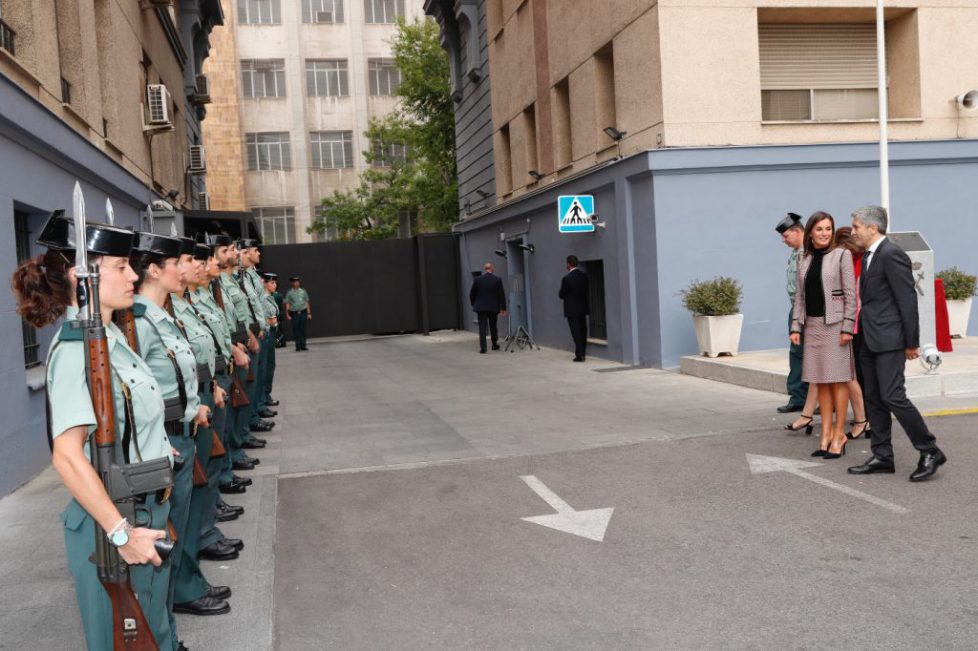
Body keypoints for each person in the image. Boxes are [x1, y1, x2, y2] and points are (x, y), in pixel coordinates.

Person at [12, 213, 175, 650]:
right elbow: (67, 456)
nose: (133, 275)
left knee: (154, 631)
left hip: (142, 511)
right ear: (79, 276)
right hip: (113, 524)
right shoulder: (75, 348)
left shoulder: (110, 340)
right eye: (120, 266)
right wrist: (121, 532)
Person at [847, 206, 947, 481]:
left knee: (893, 396)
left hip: (890, 338)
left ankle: (929, 450)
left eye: (856, 226)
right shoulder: (869, 255)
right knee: (874, 398)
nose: (852, 230)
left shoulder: (891, 254)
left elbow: (907, 299)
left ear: (872, 228)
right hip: (869, 337)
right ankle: (882, 455)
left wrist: (911, 342)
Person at [789, 212, 856, 459]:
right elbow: (799, 297)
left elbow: (851, 294)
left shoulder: (842, 255)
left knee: (838, 381)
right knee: (821, 381)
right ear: (810, 233)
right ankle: (825, 433)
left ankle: (839, 434)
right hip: (813, 326)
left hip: (836, 326)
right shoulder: (803, 259)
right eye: (819, 229)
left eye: (828, 228)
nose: (825, 233)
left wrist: (848, 327)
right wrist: (796, 327)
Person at [833, 226, 871, 440]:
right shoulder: (857, 261)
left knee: (856, 374)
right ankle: (865, 418)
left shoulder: (856, 263)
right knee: (859, 373)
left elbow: (853, 298)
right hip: (856, 324)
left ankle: (864, 419)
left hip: (856, 325)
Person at [775, 213, 811, 415]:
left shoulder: (811, 252)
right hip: (796, 309)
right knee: (797, 354)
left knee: (812, 355)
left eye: (786, 236)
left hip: (809, 311)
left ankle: (816, 399)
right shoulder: (797, 251)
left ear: (798, 231)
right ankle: (798, 397)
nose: (783, 240)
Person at [469, 262, 507, 353]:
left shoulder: (478, 279)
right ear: (492, 268)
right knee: (493, 326)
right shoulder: (497, 280)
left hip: (481, 307)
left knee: (482, 327)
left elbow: (472, 293)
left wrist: (474, 303)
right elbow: (501, 295)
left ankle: (483, 348)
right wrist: (503, 308)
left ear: (485, 269)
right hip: (493, 307)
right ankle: (494, 344)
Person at [559, 255, 590, 362]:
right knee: (583, 331)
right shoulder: (584, 276)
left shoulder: (566, 279)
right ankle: (583, 353)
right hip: (583, 308)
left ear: (568, 264)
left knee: (576, 332)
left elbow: (561, 294)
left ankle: (579, 355)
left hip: (572, 310)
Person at [262, 272, 280, 404]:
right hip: (267, 333)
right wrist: (271, 321)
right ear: (264, 283)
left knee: (270, 365)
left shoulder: (270, 297)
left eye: (275, 282)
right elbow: (264, 318)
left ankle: (266, 395)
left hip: (272, 332)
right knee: (267, 365)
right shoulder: (263, 298)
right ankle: (264, 396)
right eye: (272, 282)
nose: (275, 285)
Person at [284, 276, 311, 351]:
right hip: (294, 313)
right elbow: (287, 303)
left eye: (297, 281)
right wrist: (287, 314)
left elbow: (307, 301)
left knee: (303, 329)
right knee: (296, 330)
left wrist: (309, 313)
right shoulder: (289, 293)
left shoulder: (303, 291)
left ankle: (303, 345)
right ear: (292, 283)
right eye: (294, 282)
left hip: (303, 312)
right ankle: (298, 346)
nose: (296, 283)